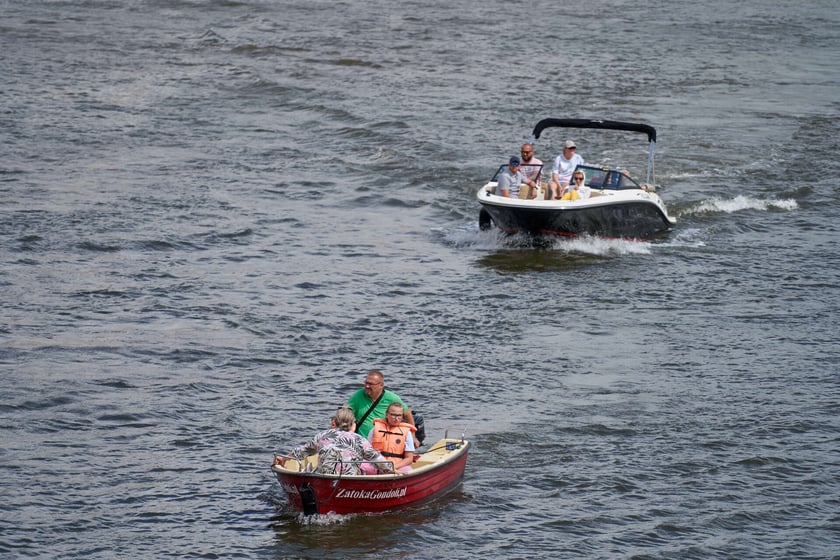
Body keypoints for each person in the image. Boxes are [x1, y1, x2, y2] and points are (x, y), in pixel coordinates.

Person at [273, 406, 395, 475]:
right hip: (350, 480)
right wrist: (395, 471)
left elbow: (302, 451)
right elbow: (378, 459)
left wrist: (284, 458)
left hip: (325, 479)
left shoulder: (323, 435)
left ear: (335, 422)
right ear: (353, 424)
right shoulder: (360, 440)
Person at [347, 370, 416, 442]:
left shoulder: (391, 398)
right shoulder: (358, 395)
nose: (367, 386)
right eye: (366, 383)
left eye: (371, 384)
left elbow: (407, 414)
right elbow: (345, 413)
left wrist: (413, 437)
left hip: (384, 441)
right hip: (362, 441)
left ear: (381, 385)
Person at [368, 402, 417, 473]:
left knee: (408, 471)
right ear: (387, 414)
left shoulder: (407, 432)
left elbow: (409, 458)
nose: (396, 418)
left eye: (399, 415)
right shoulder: (375, 429)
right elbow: (367, 452)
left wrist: (393, 467)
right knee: (363, 467)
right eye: (393, 415)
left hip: (397, 466)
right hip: (377, 464)